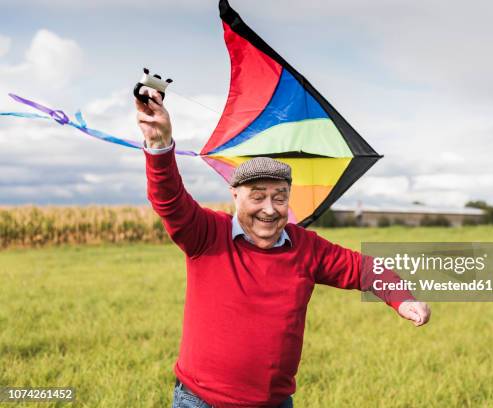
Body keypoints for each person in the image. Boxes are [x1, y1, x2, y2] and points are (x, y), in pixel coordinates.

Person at [136, 88, 431, 408]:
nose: (270, 208)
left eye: (279, 197)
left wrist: (401, 298)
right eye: (258, 196)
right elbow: (168, 199)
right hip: (200, 402)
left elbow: (364, 269)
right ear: (235, 195)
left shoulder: (307, 248)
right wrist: (158, 144)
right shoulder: (207, 234)